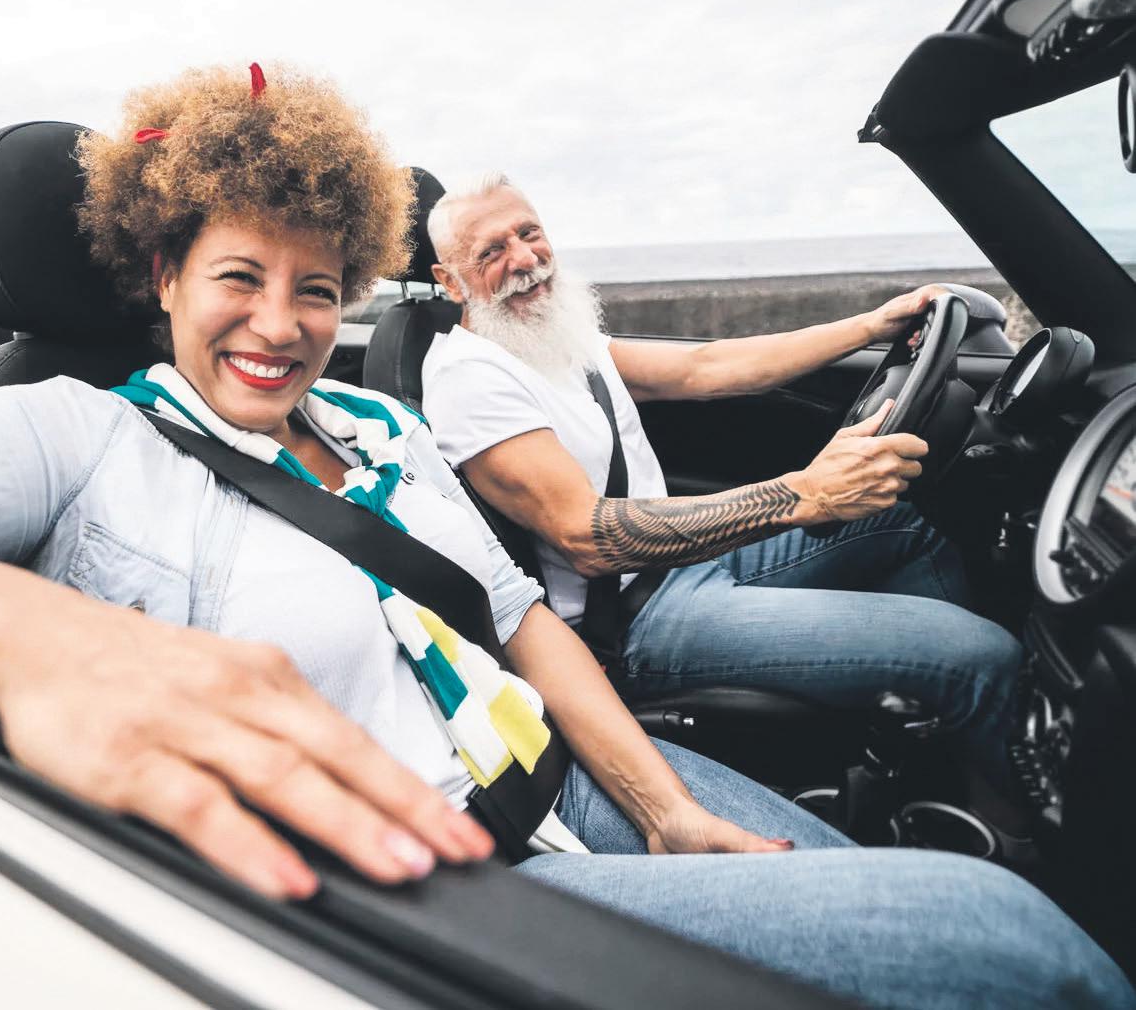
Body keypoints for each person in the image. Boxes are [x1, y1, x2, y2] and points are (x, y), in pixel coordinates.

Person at [0, 65, 1127, 1010]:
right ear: (164, 274)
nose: (280, 325)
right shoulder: (71, 434)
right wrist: (33, 642)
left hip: (573, 774)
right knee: (1004, 945)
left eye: (318, 288)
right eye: (239, 277)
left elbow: (519, 616)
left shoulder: (378, 420)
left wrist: (662, 806)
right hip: (432, 879)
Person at [420, 172, 1023, 799]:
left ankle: (929, 738)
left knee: (905, 514)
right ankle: (1011, 821)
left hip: (685, 563)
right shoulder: (470, 378)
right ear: (449, 281)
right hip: (633, 618)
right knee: (982, 656)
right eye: (492, 252)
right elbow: (588, 538)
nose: (524, 258)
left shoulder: (549, 338)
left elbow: (703, 367)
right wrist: (805, 494)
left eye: (529, 233)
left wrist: (872, 325)